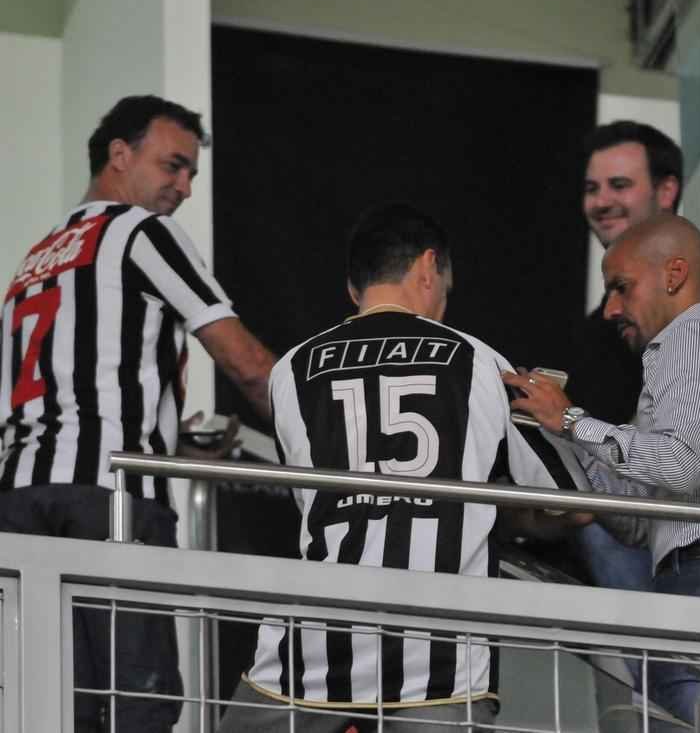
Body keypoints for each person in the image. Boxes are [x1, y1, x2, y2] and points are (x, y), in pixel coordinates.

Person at [220, 203, 587, 732]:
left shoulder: (291, 370)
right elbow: (569, 503)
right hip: (441, 664)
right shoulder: (480, 360)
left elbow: (314, 502)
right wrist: (489, 511)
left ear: (354, 289)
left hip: (310, 657)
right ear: (428, 267)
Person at [0, 95, 275, 732]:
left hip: (18, 504)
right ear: (119, 156)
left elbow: (67, 393)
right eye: (173, 166)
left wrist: (173, 438)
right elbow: (247, 364)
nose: (182, 187)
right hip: (111, 496)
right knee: (137, 704)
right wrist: (323, 432)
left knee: (49, 704)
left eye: (190, 175)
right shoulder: (138, 232)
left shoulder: (34, 260)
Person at [504, 214, 700, 732]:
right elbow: (639, 521)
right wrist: (565, 436)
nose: (611, 309)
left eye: (621, 288)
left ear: (674, 275)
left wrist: (572, 419)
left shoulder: (689, 341)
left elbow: (679, 465)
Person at [570, 120, 700, 592]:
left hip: (657, 537)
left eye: (620, 185)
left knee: (673, 665)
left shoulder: (688, 292)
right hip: (617, 523)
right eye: (592, 188)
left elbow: (675, 443)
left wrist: (588, 493)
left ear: (666, 192)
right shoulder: (599, 319)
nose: (602, 201)